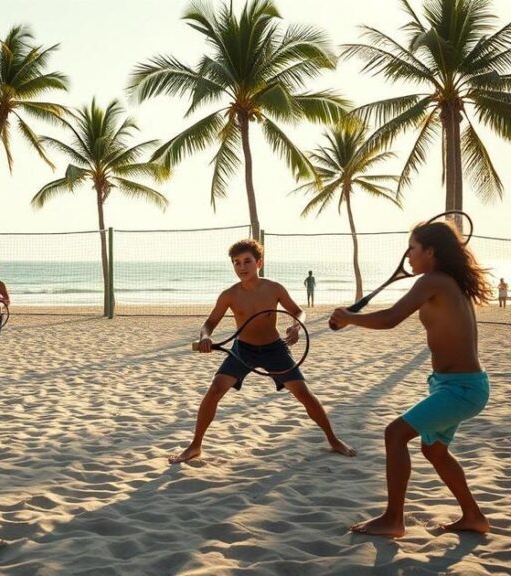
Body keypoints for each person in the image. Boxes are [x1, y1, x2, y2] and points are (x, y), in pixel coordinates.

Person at [331, 220, 492, 537]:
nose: (408, 256)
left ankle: (393, 520)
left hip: (461, 389)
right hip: (453, 385)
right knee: (433, 451)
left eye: (412, 248)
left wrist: (351, 318)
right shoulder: (445, 281)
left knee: (395, 434)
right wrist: (352, 318)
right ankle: (474, 516)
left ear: (430, 252)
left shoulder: (434, 280)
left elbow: (392, 319)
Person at [169, 239, 356, 465]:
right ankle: (195, 445)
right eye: (236, 263)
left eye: (247, 261)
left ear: (259, 262)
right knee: (215, 390)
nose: (242, 267)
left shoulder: (274, 288)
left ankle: (333, 439)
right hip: (243, 350)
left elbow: (299, 311)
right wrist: (205, 337)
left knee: (303, 393)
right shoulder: (229, 294)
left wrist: (297, 326)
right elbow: (208, 324)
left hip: (274, 349)